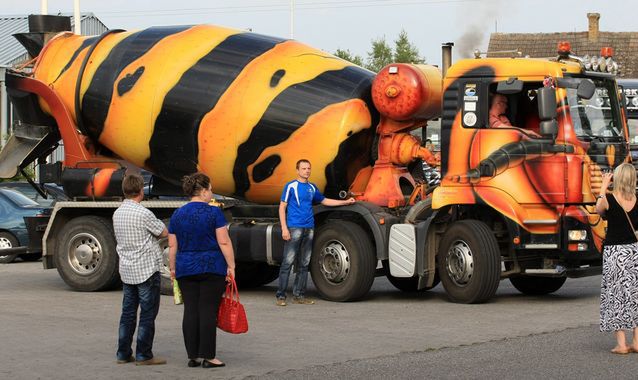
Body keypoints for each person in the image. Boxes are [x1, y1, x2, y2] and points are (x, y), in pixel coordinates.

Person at [168, 173, 236, 368]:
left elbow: (173, 246)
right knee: (208, 310)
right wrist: (231, 266)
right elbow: (223, 241)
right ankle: (208, 356)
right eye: (211, 189)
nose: (212, 193)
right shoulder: (214, 213)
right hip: (211, 266)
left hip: (185, 266)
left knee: (191, 310)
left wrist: (172, 267)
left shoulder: (177, 214)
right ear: (204, 191)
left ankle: (193, 356)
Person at [276, 159, 355, 306]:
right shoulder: (291, 186)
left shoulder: (312, 187)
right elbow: (282, 207)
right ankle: (281, 296)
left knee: (304, 264)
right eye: (304, 168)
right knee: (287, 262)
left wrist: (345, 202)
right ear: (297, 170)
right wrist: (284, 228)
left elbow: (325, 201)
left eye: (308, 168)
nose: (307, 171)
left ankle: (299, 295)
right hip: (294, 228)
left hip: (309, 228)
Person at [113, 173, 168, 365]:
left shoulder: (117, 212)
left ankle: (123, 353)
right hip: (145, 270)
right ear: (141, 190)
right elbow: (163, 231)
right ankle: (144, 354)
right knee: (147, 313)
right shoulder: (143, 213)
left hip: (127, 270)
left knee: (127, 313)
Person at [595, 163, 638, 354]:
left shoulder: (610, 199)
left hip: (615, 255)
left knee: (616, 296)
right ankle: (637, 341)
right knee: (635, 296)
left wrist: (604, 186)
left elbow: (598, 210)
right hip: (634, 252)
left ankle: (622, 344)